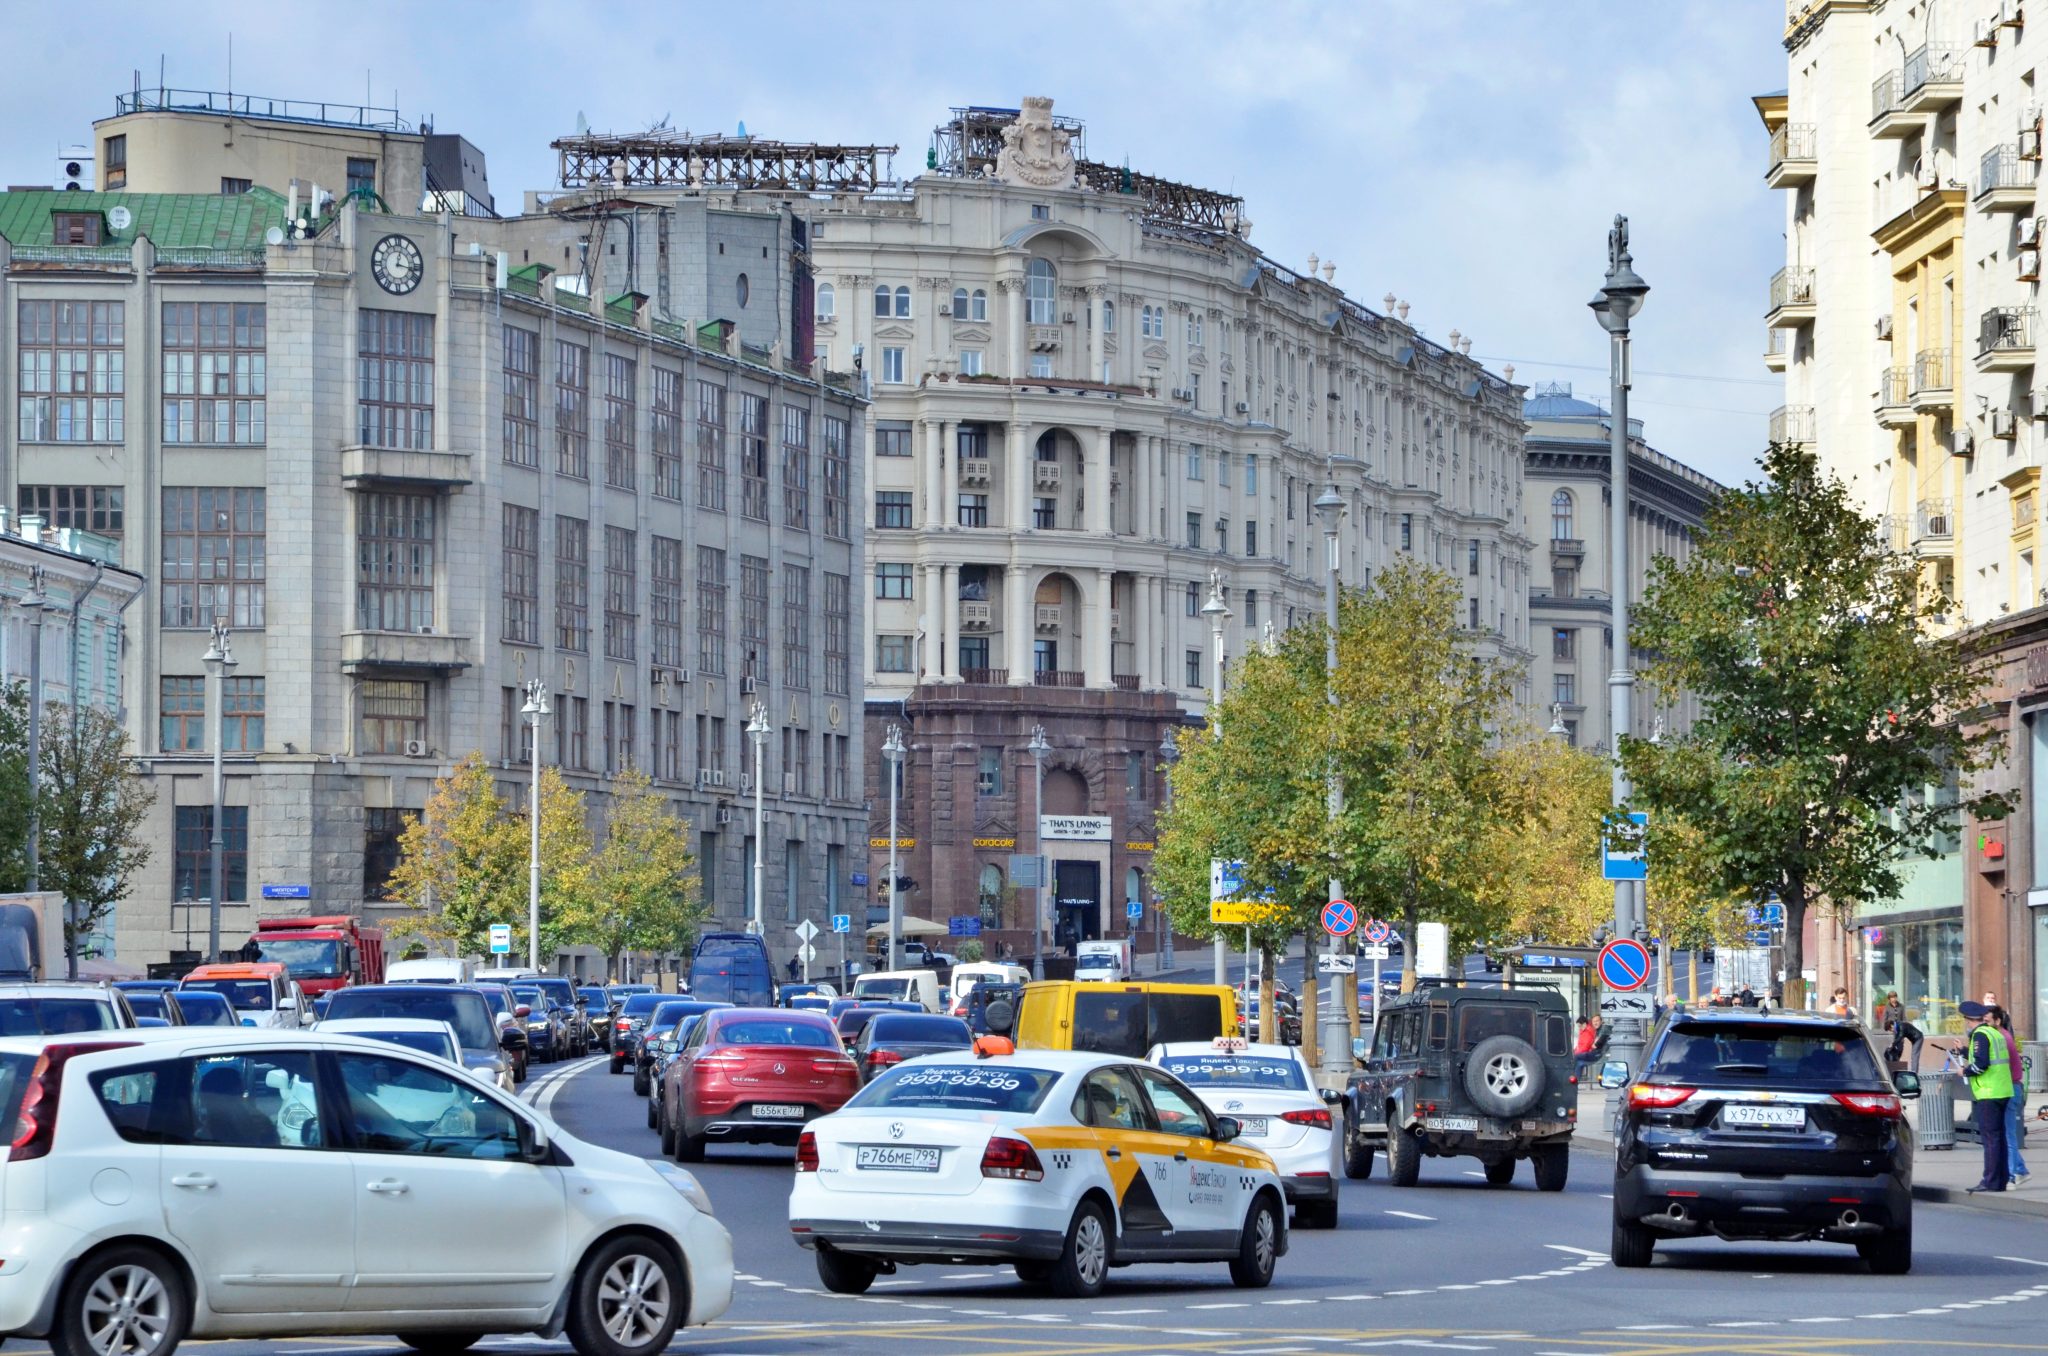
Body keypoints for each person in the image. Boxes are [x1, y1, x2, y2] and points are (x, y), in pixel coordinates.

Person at [1961, 1000, 2014, 1194]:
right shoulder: (1994, 1032)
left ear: (1969, 1020)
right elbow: (1989, 1057)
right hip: (2003, 1090)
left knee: (1990, 1138)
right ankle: (2001, 1180)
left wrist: (1964, 1072)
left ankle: (1990, 1180)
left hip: (1988, 1092)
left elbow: (1981, 1064)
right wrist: (1964, 1052)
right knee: (1999, 1137)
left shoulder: (1979, 1035)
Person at [1999, 1006, 2030, 1187]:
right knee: (2006, 1133)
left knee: (2008, 1134)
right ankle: (2020, 1169)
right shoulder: (2004, 1036)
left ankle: (2012, 1175)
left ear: (1997, 1021)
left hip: (2009, 1088)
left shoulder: (2001, 1038)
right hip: (2011, 1087)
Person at [1881, 991, 1924, 1073]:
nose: (1894, 999)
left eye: (1895, 997)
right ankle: (1893, 1066)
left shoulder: (1901, 1006)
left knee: (1900, 1049)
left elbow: (1904, 1018)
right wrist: (1888, 1028)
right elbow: (1884, 1020)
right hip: (1894, 1031)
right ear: (1889, 999)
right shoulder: (1887, 1007)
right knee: (1892, 1050)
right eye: (1892, 998)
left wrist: (1902, 1029)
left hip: (1901, 1031)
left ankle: (1901, 1067)